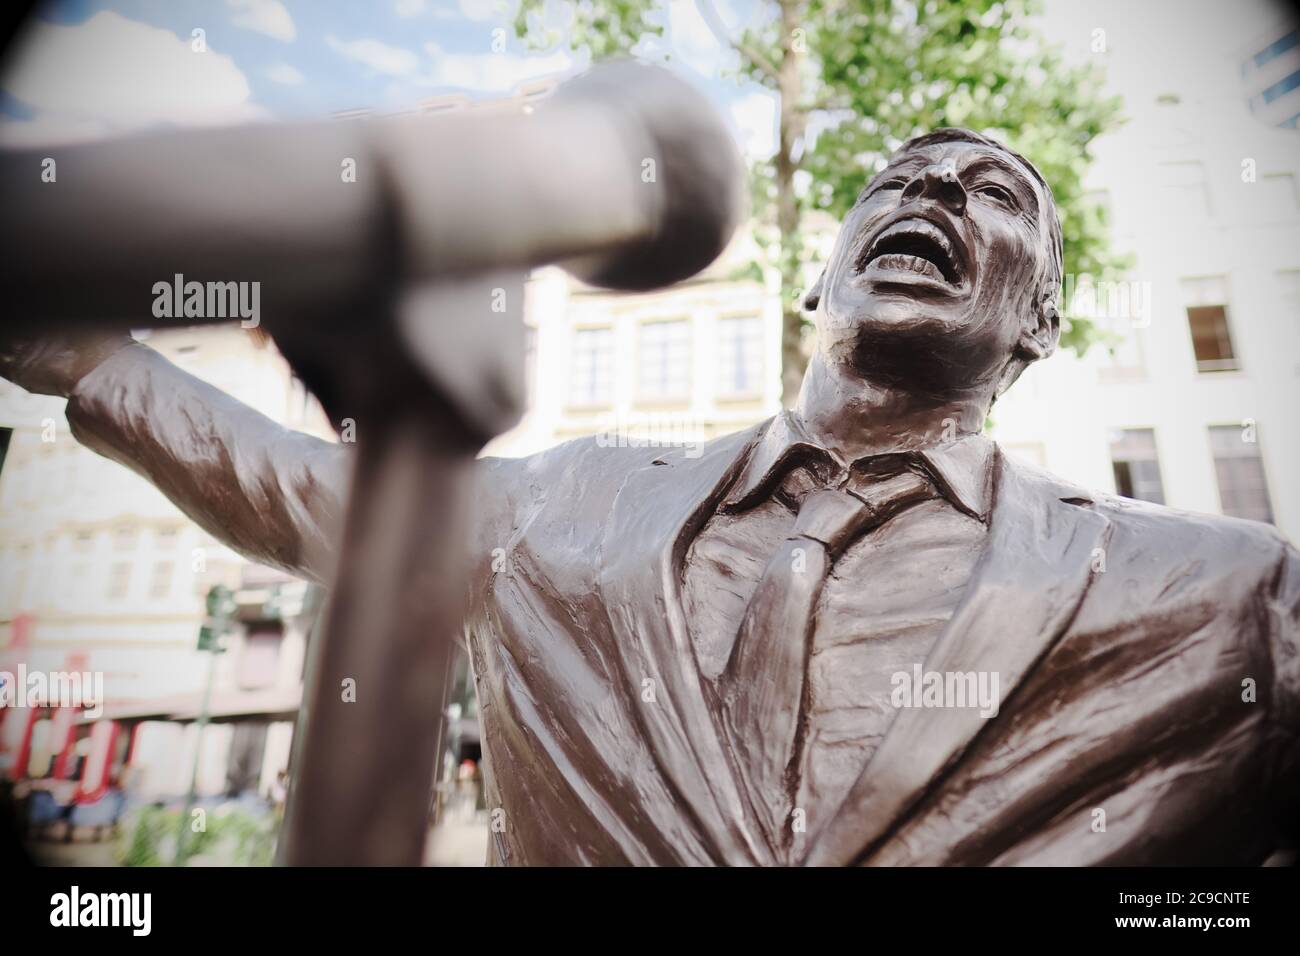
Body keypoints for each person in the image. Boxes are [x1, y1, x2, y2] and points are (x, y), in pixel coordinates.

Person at [3, 128, 1298, 866]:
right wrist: (87, 359)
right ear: (818, 287)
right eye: (893, 182)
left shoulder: (1227, 603)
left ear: (1044, 323)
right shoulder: (569, 504)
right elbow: (305, 491)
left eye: (991, 191)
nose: (927, 191)